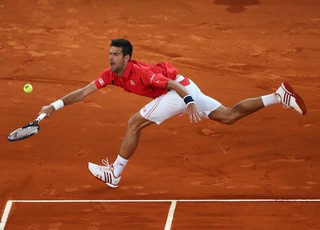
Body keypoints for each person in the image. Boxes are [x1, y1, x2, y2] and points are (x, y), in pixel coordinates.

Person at [39, 38, 307, 188]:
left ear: (127, 58)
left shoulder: (142, 72)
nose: (110, 58)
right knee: (228, 115)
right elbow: (83, 92)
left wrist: (189, 102)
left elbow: (174, 85)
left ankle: (115, 173)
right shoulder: (110, 75)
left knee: (135, 123)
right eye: (109, 53)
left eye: (116, 55)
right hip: (187, 87)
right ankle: (277, 96)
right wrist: (55, 105)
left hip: (178, 93)